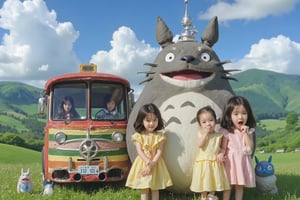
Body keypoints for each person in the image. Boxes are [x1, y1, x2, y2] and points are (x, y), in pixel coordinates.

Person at [125, 103, 173, 200]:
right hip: (143, 163)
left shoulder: (159, 136)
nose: (151, 123)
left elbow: (159, 151)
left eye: (154, 120)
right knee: (144, 188)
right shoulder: (139, 136)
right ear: (141, 121)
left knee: (155, 187)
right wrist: (148, 162)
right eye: (148, 120)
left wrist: (152, 163)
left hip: (156, 163)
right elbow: (139, 150)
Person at [190, 106, 230, 200]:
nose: (208, 124)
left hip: (215, 162)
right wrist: (205, 134)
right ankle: (204, 197)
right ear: (200, 124)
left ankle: (212, 196)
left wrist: (221, 154)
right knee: (204, 183)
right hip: (203, 163)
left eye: (211, 120)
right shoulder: (201, 133)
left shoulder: (219, 135)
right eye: (204, 122)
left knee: (213, 182)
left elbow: (223, 148)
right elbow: (200, 145)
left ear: (215, 121)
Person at [220, 96, 256, 200]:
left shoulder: (249, 132)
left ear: (248, 115)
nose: (240, 117)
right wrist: (221, 154)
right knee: (227, 187)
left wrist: (245, 134)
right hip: (230, 163)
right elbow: (223, 148)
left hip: (242, 162)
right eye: (236, 114)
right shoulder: (227, 132)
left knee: (239, 187)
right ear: (229, 116)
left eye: (244, 113)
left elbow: (249, 149)